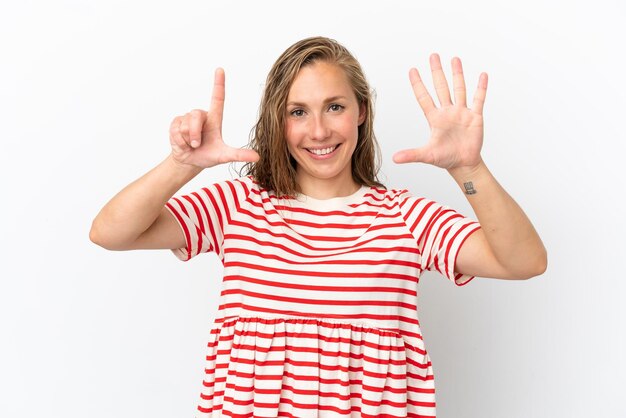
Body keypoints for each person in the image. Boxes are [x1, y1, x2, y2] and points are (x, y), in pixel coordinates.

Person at [90, 36, 547, 418]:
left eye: (334, 107)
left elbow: (525, 261)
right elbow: (112, 232)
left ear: (361, 111)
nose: (319, 131)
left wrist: (471, 169)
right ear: (278, 121)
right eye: (298, 112)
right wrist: (181, 164)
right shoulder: (237, 206)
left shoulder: (407, 218)